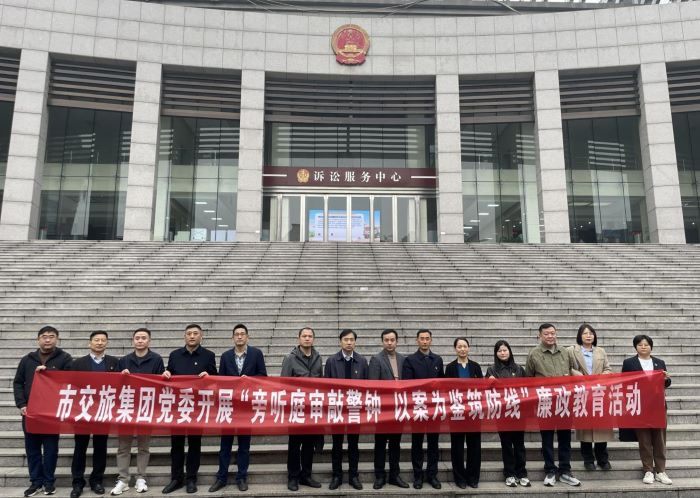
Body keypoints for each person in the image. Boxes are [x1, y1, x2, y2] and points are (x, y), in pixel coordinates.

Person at [14, 326, 72, 497]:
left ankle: (48, 482)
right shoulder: (27, 360)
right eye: (44, 336)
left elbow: (71, 380)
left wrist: (50, 373)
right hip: (30, 412)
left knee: (50, 449)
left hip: (51, 413)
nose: (47, 339)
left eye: (51, 336)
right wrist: (21, 404)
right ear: (38, 339)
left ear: (57, 339)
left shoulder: (65, 358)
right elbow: (18, 383)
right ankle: (35, 482)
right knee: (32, 449)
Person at [209, 324, 267, 493]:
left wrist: (250, 379)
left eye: (242, 334)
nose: (240, 337)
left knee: (244, 445)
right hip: (229, 406)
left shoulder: (256, 354)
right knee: (225, 445)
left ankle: (242, 477)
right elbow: (221, 380)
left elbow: (263, 376)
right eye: (237, 334)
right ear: (233, 338)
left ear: (247, 337)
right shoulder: (226, 356)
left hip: (247, 407)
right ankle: (221, 477)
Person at [162, 324, 217, 494]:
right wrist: (166, 374)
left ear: (201, 336)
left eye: (195, 333)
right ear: (184, 336)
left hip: (197, 407)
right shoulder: (175, 355)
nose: (192, 336)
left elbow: (216, 380)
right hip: (177, 406)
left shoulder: (208, 355)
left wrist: (209, 377)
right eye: (189, 334)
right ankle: (176, 478)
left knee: (194, 444)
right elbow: (168, 375)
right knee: (176, 444)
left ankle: (192, 478)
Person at [525, 323, 582, 487]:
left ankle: (565, 470)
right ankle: (550, 470)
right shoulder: (534, 354)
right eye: (546, 334)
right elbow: (528, 378)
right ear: (539, 336)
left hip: (564, 401)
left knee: (565, 438)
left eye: (552, 333)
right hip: (545, 402)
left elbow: (572, 370)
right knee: (547, 438)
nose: (550, 336)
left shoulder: (565, 351)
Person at [110, 327, 165, 496]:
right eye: (137, 338)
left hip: (146, 408)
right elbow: (116, 386)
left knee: (143, 446)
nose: (140, 340)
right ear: (133, 340)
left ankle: (141, 477)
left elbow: (161, 384)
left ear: (149, 341)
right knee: (123, 447)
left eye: (143, 338)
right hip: (127, 408)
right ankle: (123, 479)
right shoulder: (124, 360)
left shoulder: (156, 359)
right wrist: (121, 376)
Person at [69, 331, 119, 498]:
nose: (99, 343)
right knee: (80, 447)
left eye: (103, 340)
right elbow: (70, 385)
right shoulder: (78, 363)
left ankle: (97, 480)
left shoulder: (114, 362)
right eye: (96, 340)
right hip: (83, 411)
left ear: (107, 343)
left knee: (100, 447)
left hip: (103, 411)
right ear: (89, 343)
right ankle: (77, 483)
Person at [621, 334, 672, 485]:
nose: (643, 347)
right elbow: (624, 383)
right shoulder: (629, 363)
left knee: (659, 439)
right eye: (640, 344)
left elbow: (666, 382)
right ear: (635, 347)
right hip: (639, 406)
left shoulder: (659, 362)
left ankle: (661, 471)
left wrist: (666, 379)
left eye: (646, 344)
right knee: (644, 440)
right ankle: (648, 470)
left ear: (651, 346)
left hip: (657, 406)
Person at [324, 329, 369, 490]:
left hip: (355, 409)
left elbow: (367, 385)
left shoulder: (362, 361)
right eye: (346, 339)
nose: (349, 342)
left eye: (351, 340)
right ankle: (336, 476)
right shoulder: (331, 361)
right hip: (337, 408)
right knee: (337, 444)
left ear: (355, 342)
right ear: (340, 342)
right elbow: (326, 386)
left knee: (353, 444)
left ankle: (353, 476)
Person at [281, 326, 324, 492]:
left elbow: (322, 382)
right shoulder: (290, 358)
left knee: (309, 444)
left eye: (310, 336)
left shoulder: (318, 357)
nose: (307, 338)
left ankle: (306, 475)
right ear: (299, 338)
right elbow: (284, 384)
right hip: (296, 408)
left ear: (313, 339)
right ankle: (293, 477)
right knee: (294, 445)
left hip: (312, 408)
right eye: (304, 336)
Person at [402, 329, 444, 490]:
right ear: (417, 340)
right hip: (418, 408)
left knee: (433, 443)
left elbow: (442, 383)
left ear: (431, 340)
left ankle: (432, 475)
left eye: (427, 338)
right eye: (422, 338)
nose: (425, 341)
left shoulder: (438, 359)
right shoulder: (410, 360)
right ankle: (418, 476)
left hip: (434, 408)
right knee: (417, 443)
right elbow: (407, 385)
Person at [567, 323, 613, 471]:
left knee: (601, 428)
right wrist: (577, 374)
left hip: (599, 393)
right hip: (582, 393)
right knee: (585, 428)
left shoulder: (600, 351)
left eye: (591, 333)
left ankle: (602, 459)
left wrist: (599, 378)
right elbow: (567, 368)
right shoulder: (571, 351)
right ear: (580, 336)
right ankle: (588, 459)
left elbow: (608, 369)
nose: (588, 336)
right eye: (585, 333)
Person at [368, 329, 409, 489]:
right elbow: (373, 384)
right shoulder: (376, 359)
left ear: (397, 341)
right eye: (386, 340)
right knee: (380, 443)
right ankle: (379, 476)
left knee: (395, 444)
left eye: (392, 340)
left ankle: (394, 475)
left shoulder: (403, 359)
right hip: (383, 409)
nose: (390, 343)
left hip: (398, 408)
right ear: (382, 341)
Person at [486, 340, 530, 488]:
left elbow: (526, 389)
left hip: (518, 413)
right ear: (496, 353)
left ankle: (522, 473)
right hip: (502, 413)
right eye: (500, 351)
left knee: (519, 445)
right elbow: (487, 392)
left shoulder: (519, 369)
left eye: (505, 350)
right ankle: (509, 474)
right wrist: (489, 382)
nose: (503, 353)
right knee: (506, 445)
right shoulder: (491, 370)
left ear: (510, 351)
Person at [445, 337, 483, 489]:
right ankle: (459, 478)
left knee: (474, 446)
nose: (462, 349)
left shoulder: (476, 366)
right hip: (457, 411)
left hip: (473, 411)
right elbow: (447, 390)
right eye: (459, 347)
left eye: (464, 346)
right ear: (455, 349)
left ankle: (473, 477)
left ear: (469, 348)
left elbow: (481, 388)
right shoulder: (450, 368)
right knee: (457, 447)